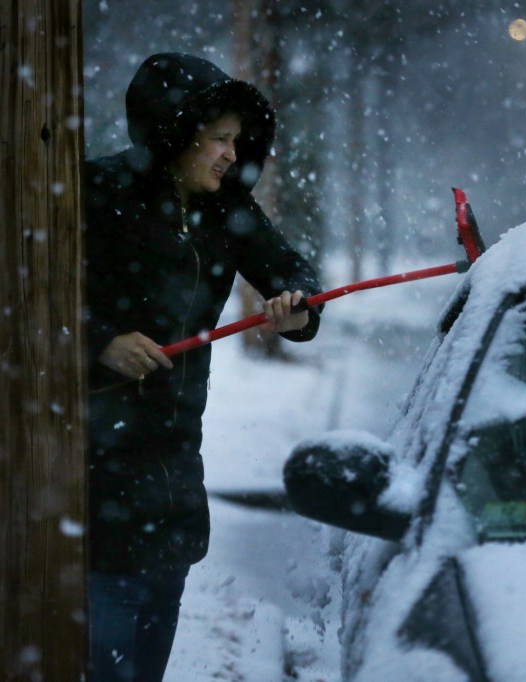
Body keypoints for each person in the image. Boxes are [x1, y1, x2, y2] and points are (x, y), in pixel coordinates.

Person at [84, 53, 323, 681]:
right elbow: (31, 306)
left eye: (235, 141)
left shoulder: (225, 211)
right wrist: (99, 341)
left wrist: (293, 307)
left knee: (155, 624)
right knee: (107, 642)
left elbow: (295, 277)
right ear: (175, 133)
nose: (228, 153)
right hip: (91, 466)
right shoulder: (96, 195)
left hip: (173, 471)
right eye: (218, 139)